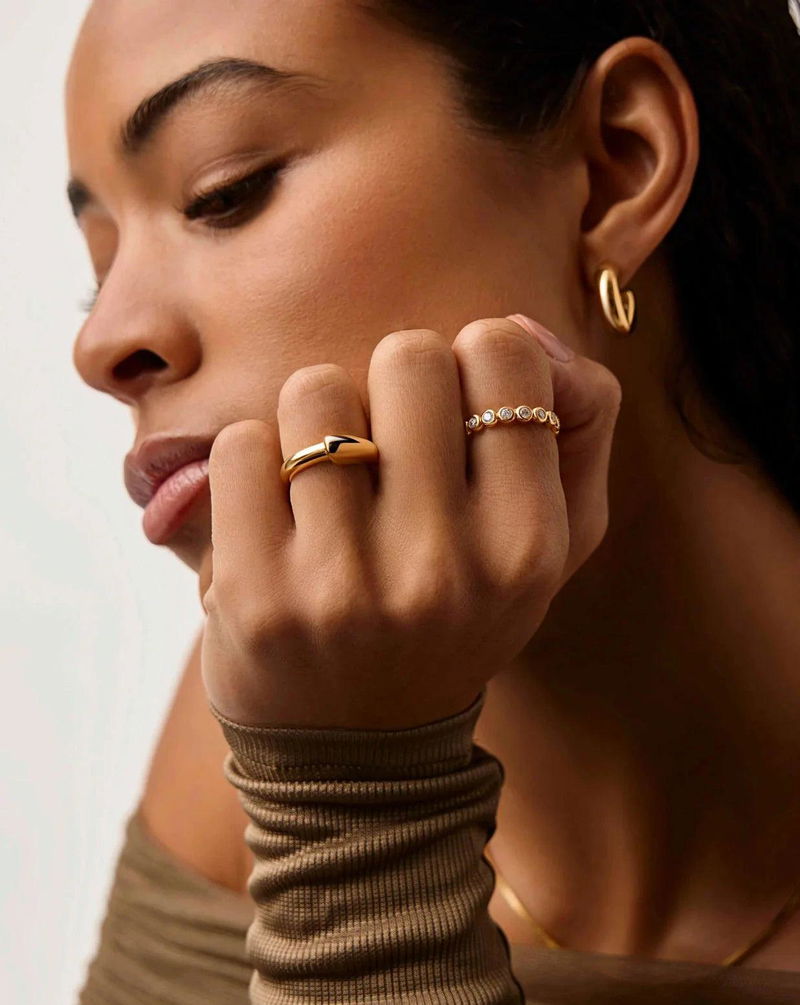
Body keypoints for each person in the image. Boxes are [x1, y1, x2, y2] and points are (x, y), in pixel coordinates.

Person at [66, 1, 800, 1002]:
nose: (102, 343)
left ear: (614, 170)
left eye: (223, 192)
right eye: (100, 267)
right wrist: (345, 776)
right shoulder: (279, 700)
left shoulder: (307, 717)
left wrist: (355, 808)